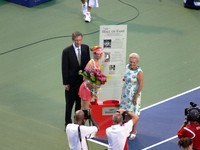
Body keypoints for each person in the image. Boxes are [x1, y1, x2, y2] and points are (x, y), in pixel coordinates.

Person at [62, 31, 90, 127]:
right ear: (73, 40)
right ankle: (67, 123)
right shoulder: (66, 51)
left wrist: (88, 79)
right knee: (69, 105)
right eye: (76, 40)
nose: (78, 42)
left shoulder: (86, 48)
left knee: (79, 104)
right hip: (71, 83)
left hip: (82, 83)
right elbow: (64, 68)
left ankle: (77, 122)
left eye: (80, 40)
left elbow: (88, 66)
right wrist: (66, 83)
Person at [119, 52, 144, 140]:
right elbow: (125, 77)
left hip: (133, 94)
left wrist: (136, 96)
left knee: (133, 113)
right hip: (125, 93)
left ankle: (134, 131)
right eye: (131, 62)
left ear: (137, 62)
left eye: (134, 62)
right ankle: (127, 129)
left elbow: (141, 84)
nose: (132, 64)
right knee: (125, 112)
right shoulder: (126, 67)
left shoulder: (139, 72)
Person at [78, 46, 104, 110]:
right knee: (85, 109)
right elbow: (85, 77)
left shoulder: (97, 62)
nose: (100, 55)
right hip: (86, 88)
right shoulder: (91, 63)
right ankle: (79, 119)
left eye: (101, 54)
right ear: (94, 54)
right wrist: (93, 84)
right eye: (98, 54)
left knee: (87, 109)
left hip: (91, 89)